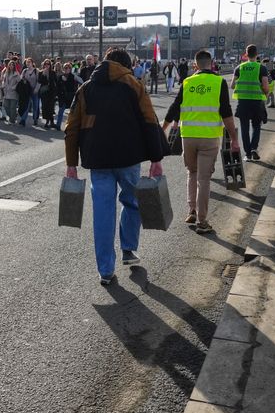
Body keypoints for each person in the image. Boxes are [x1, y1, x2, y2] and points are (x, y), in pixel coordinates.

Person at [64, 47, 164, 285]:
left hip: (97, 161)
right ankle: (128, 249)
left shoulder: (86, 88)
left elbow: (72, 128)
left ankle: (105, 270)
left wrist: (71, 164)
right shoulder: (134, 85)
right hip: (129, 159)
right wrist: (156, 159)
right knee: (133, 202)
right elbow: (150, 121)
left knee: (103, 213)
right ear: (127, 65)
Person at [163, 49, 241, 234]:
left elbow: (175, 107)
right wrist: (234, 139)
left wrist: (163, 129)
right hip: (209, 137)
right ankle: (202, 220)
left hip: (188, 136)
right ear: (211, 63)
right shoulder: (218, 82)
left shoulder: (187, 82)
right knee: (204, 179)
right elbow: (226, 113)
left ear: (195, 65)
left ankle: (191, 211)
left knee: (191, 172)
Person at [231, 44, 270, 162]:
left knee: (244, 127)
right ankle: (254, 148)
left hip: (242, 102)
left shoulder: (239, 67)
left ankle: (247, 154)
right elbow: (266, 87)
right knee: (256, 126)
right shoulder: (261, 68)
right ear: (257, 54)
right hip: (257, 102)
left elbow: (232, 85)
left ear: (246, 54)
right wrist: (265, 94)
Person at [55, 62, 79, 131]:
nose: (67, 69)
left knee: (71, 113)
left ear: (70, 69)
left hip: (70, 96)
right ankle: (58, 125)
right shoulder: (60, 76)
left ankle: (70, 126)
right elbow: (58, 87)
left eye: (68, 68)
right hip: (62, 97)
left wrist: (66, 81)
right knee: (60, 112)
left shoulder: (73, 76)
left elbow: (73, 87)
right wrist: (57, 95)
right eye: (65, 68)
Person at [19, 58, 40, 126]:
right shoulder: (25, 71)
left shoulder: (36, 71)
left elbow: (39, 81)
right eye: (27, 62)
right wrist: (23, 80)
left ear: (32, 63)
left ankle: (35, 119)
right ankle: (23, 119)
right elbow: (21, 78)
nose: (28, 64)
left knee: (35, 105)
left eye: (29, 62)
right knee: (26, 106)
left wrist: (36, 89)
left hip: (35, 91)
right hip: (27, 91)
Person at [1, 60, 21, 125]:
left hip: (14, 92)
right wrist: (3, 85)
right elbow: (3, 80)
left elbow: (19, 82)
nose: (11, 66)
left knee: (12, 107)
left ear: (14, 66)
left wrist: (14, 87)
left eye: (12, 65)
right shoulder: (6, 73)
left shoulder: (16, 73)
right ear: (8, 66)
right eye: (10, 65)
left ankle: (12, 120)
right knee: (6, 106)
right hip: (6, 92)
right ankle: (13, 117)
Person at [38, 59, 57, 129]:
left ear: (50, 65)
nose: (47, 65)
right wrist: (43, 74)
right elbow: (40, 81)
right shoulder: (40, 72)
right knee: (45, 107)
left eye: (48, 64)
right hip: (44, 92)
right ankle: (48, 121)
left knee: (51, 107)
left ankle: (51, 122)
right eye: (45, 64)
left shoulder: (53, 72)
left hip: (51, 92)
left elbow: (55, 81)